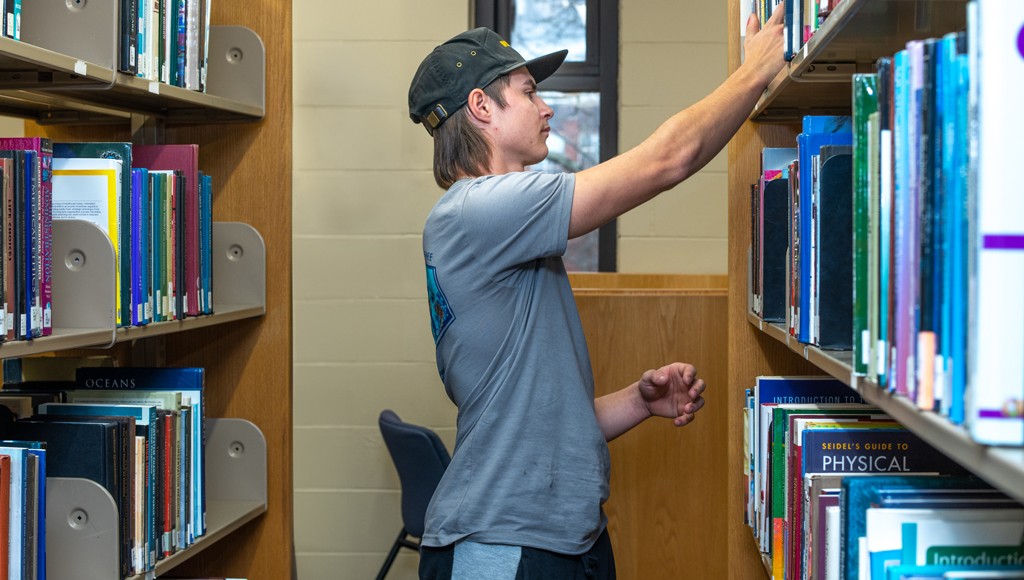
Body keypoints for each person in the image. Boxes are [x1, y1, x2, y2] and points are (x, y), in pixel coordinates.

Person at [408, 6, 786, 579]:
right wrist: (753, 73)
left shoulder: (493, 226)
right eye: (530, 92)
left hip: (559, 538)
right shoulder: (479, 211)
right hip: (505, 542)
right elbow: (667, 160)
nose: (548, 106)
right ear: (482, 107)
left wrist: (639, 400)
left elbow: (538, 418)